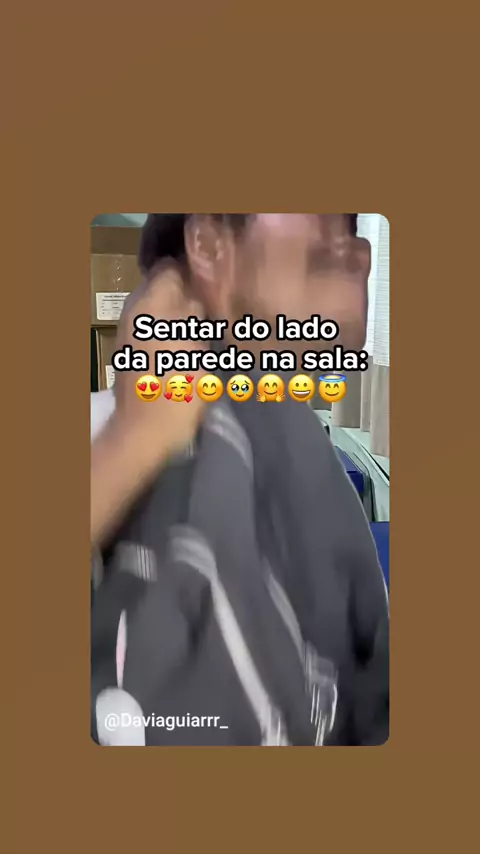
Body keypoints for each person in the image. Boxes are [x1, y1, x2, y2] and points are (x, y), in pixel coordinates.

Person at [91, 214, 388, 746]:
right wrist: (136, 439)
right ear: (207, 245)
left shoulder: (292, 437)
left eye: (349, 224)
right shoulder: (160, 465)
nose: (353, 248)